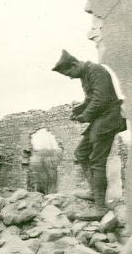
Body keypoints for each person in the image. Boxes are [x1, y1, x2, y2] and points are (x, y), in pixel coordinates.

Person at [52, 50, 127, 219]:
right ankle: (94, 191)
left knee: (97, 160)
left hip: (108, 119)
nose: (70, 77)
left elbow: (101, 99)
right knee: (81, 153)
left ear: (74, 65)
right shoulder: (86, 75)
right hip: (100, 120)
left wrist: (85, 116)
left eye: (69, 73)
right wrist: (79, 109)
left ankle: (100, 206)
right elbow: (90, 99)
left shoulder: (96, 70)